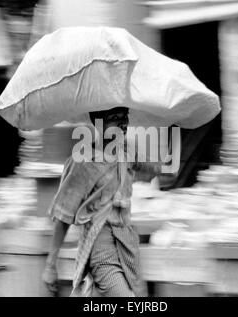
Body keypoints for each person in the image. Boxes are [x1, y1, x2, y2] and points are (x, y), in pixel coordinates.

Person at [42, 107, 161, 297]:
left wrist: (163, 163)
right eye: (114, 118)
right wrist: (50, 265)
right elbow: (63, 216)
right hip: (100, 248)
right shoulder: (83, 162)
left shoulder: (127, 152)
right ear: (97, 123)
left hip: (128, 245)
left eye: (125, 117)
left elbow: (151, 168)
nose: (123, 123)